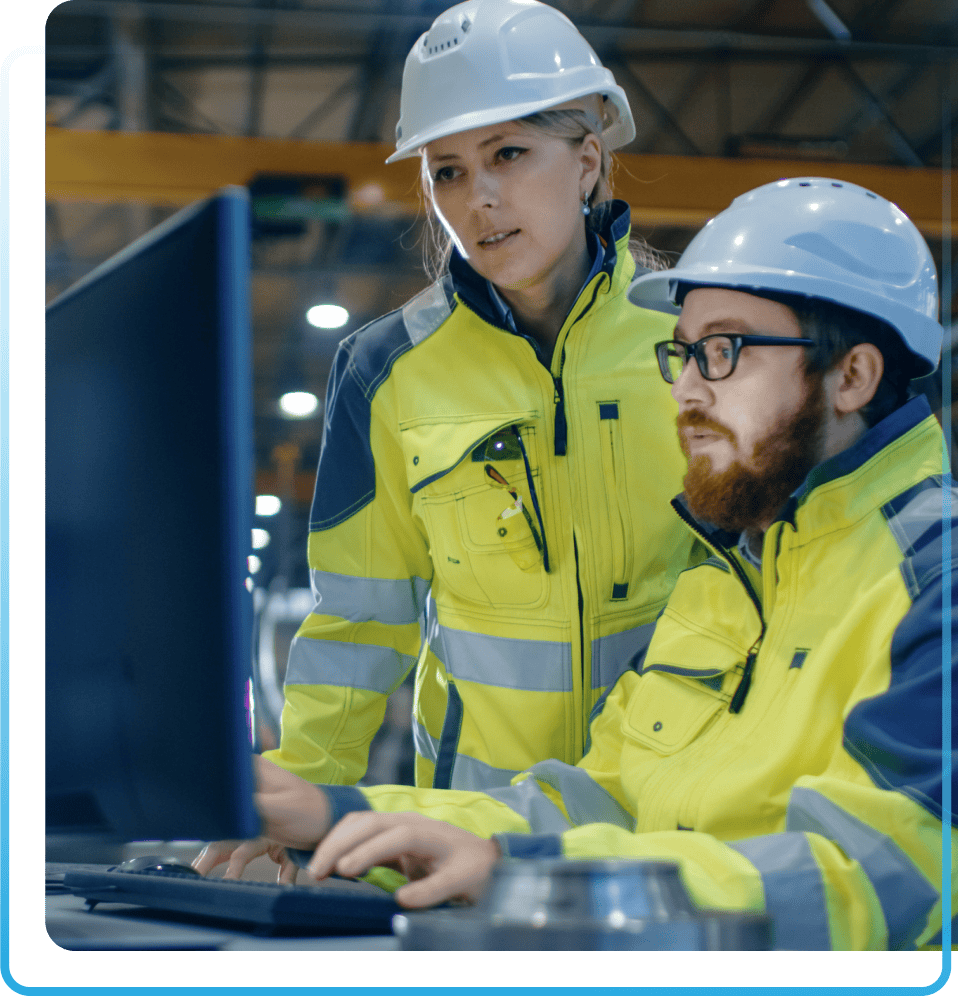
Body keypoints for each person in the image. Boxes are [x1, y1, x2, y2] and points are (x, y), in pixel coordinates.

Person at [201, 177, 958, 951]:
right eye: (679, 355)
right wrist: (333, 813)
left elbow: (869, 876)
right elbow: (591, 800)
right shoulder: (720, 588)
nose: (685, 389)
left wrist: (519, 875)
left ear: (851, 375)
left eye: (721, 351)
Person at [204, 1, 699, 877]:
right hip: (474, 827)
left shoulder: (697, 339)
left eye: (509, 153)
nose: (480, 200)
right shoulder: (387, 369)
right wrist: (297, 799)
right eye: (447, 171)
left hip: (680, 814)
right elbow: (360, 618)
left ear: (586, 159)